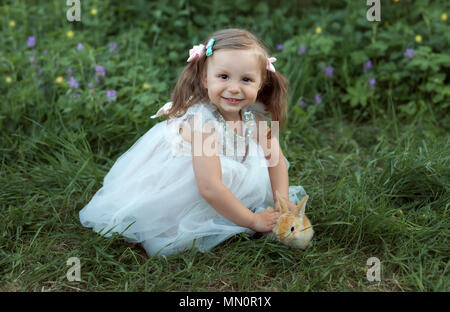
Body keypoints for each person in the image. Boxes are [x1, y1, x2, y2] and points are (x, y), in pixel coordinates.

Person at [79, 28, 306, 257]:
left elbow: (274, 160)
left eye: (246, 79)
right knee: (176, 220)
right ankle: (223, 213)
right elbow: (209, 187)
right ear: (205, 78)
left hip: (217, 175)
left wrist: (283, 200)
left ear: (261, 83)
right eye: (224, 76)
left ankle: (236, 206)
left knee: (251, 171)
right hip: (188, 182)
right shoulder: (202, 125)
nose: (234, 88)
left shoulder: (252, 117)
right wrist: (253, 220)